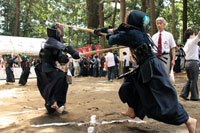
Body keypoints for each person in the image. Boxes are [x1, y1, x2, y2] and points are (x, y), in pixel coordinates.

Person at [94, 10, 197, 133]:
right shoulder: (136, 30)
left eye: (128, 16)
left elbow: (113, 39)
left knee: (164, 97)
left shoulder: (134, 34)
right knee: (128, 85)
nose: (125, 18)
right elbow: (117, 31)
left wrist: (104, 34)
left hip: (151, 68)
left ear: (133, 20)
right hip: (145, 66)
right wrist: (103, 30)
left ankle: (188, 120)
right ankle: (131, 110)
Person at [35, 24, 81, 114]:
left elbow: (59, 57)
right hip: (44, 69)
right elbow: (65, 48)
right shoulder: (50, 41)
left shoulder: (57, 43)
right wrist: (73, 52)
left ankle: (55, 105)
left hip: (49, 68)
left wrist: (64, 59)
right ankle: (54, 103)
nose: (61, 32)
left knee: (61, 81)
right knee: (58, 79)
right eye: (60, 30)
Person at [180, 29, 200, 101]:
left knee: (189, 80)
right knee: (194, 79)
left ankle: (184, 94)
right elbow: (199, 36)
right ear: (192, 34)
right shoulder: (192, 41)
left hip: (187, 62)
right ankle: (194, 96)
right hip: (193, 63)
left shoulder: (187, 43)